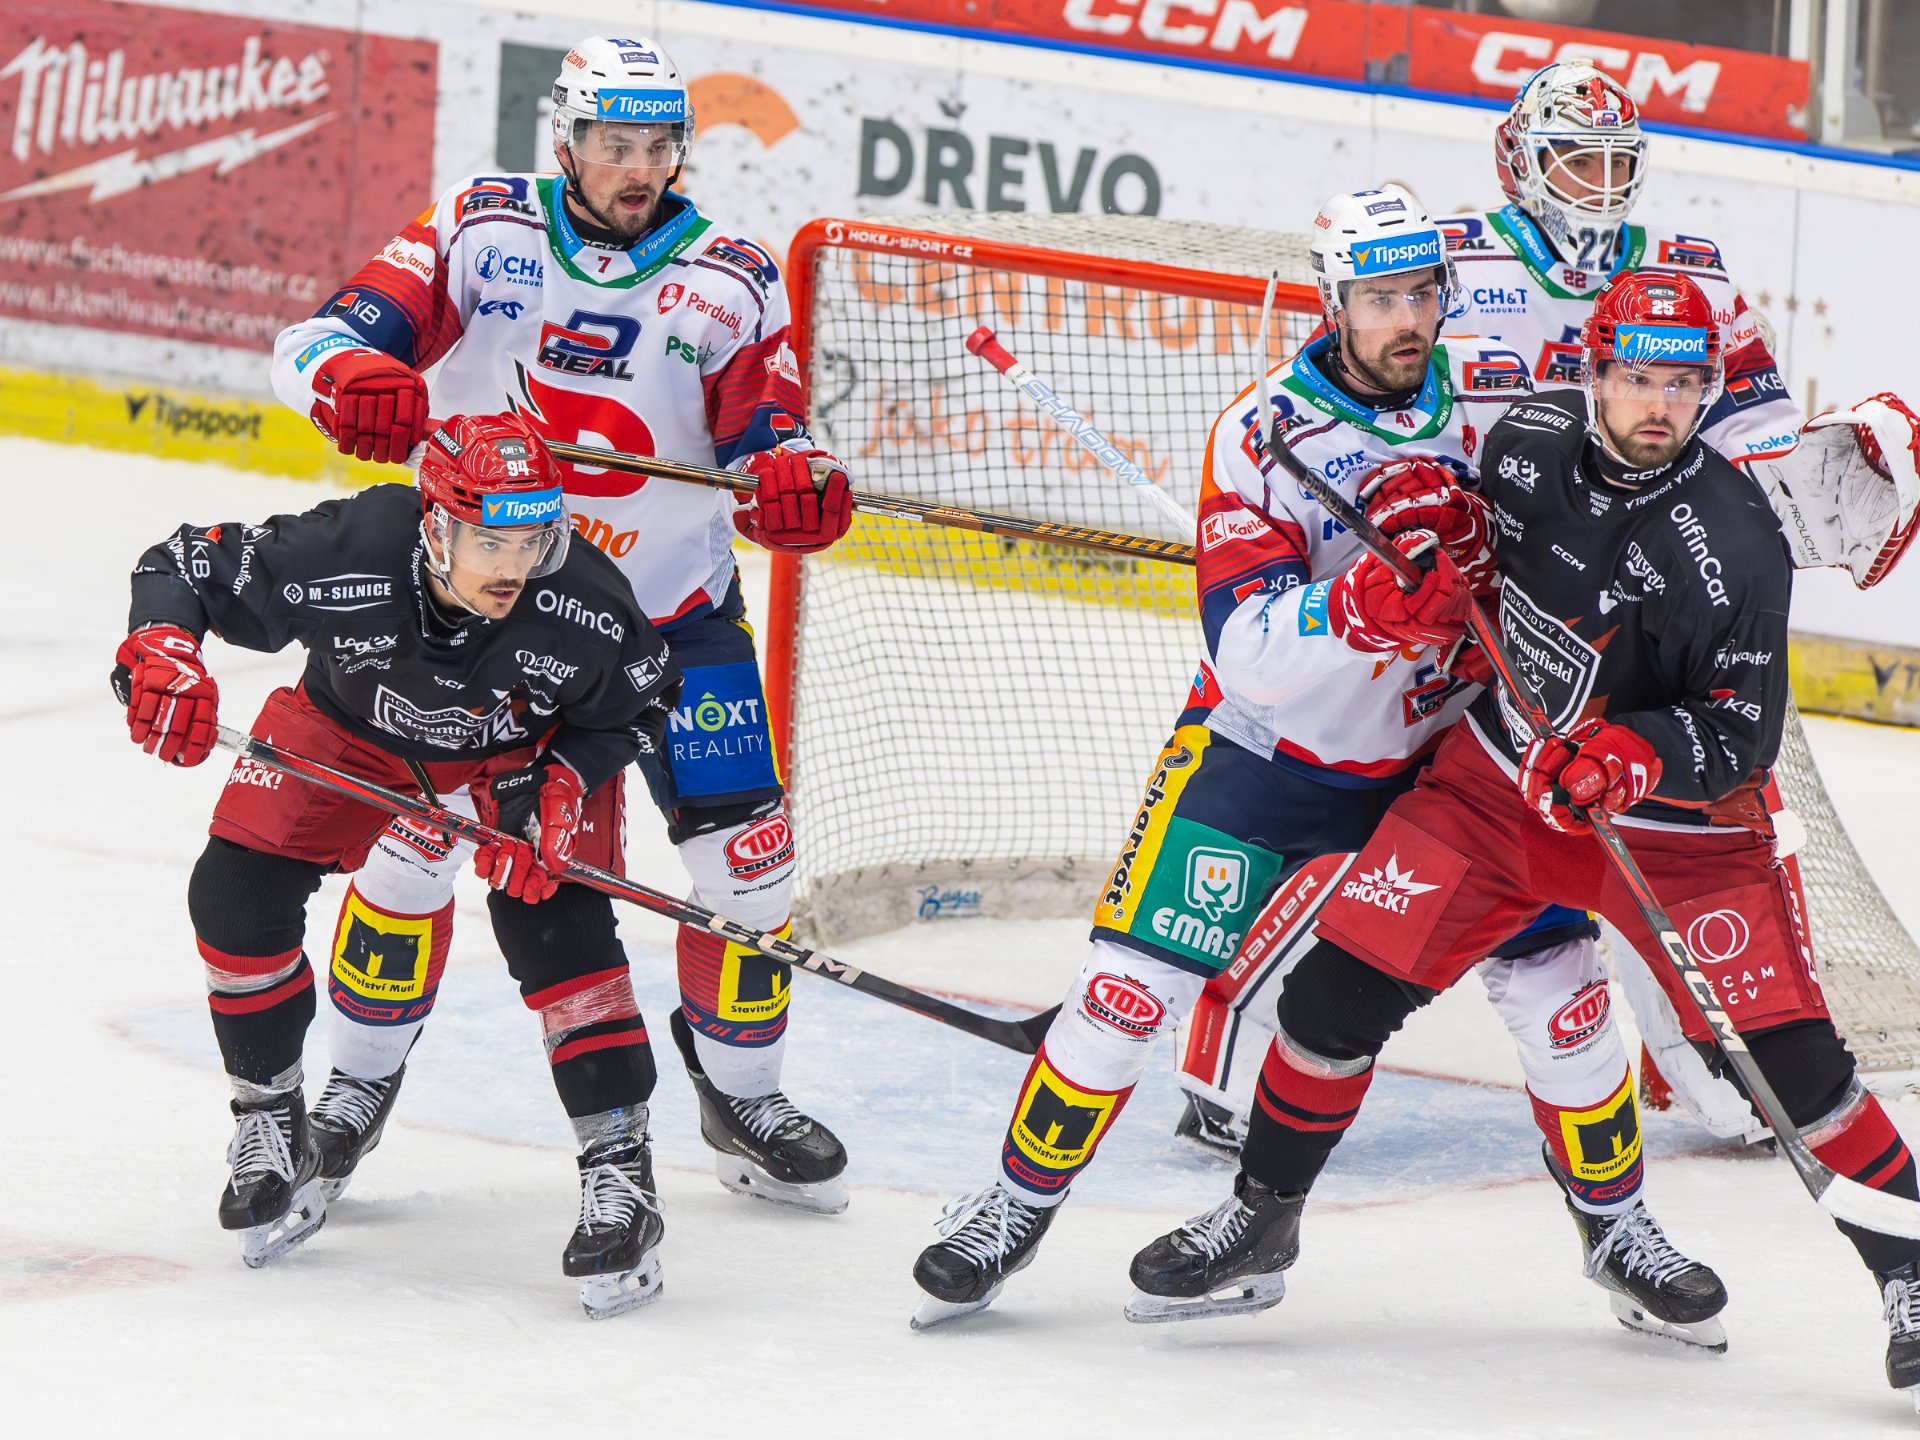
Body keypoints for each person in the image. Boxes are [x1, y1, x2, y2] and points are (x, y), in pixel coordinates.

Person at [910, 187, 1726, 1347]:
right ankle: (1012, 1206)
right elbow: (1245, 649)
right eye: (1380, 297)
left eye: (1423, 293)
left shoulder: (1498, 411)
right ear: (1332, 298)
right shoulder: (1263, 434)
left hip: (1456, 767)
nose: (1408, 319)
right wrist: (1363, 605)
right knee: (1124, 996)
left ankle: (1620, 1229)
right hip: (1275, 759)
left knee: (1561, 991)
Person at [1127, 271, 1920, 1404]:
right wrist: (1439, 540)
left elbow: (1740, 735)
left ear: (1709, 390)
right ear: (1592, 372)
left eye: (1683, 384)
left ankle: (1910, 1273)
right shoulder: (1527, 441)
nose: (1658, 404)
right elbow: (1470, 549)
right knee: (1333, 999)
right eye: (1636, 377)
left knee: (1792, 1067)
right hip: (1499, 789)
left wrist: (1631, 755)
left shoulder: (1738, 542)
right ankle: (1262, 1219)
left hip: (1678, 833)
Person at [1175, 59, 1920, 1150]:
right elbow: (1364, 391)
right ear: (1518, 160)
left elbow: (1746, 447)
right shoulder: (1452, 259)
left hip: (1627, 619)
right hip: (1466, 599)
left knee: (1696, 816)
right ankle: (1234, 1059)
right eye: (1574, 158)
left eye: (1616, 161)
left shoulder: (1690, 277)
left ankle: (1734, 1073)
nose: (1597, 183)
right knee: (1375, 817)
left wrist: (1821, 476)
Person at [268, 36, 855, 1214]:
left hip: (672, 618)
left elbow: (771, 435)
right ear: (565, 137)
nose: (638, 166)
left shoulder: (731, 276)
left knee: (750, 872)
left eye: (658, 144)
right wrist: (348, 379)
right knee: (412, 850)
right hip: (484, 617)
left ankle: (742, 1093)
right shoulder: (481, 227)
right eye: (613, 142)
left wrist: (794, 479)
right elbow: (315, 342)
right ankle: (357, 1086)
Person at [113, 414, 686, 1315]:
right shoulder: (349, 548)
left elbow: (646, 701)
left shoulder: (581, 597)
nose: (514, 566)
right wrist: (163, 649)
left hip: (521, 762)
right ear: (435, 527)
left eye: (534, 541)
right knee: (232, 895)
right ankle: (270, 1117)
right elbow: (182, 563)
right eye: (490, 541)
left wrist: (569, 778)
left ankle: (621, 1168)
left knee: (556, 922)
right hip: (351, 732)